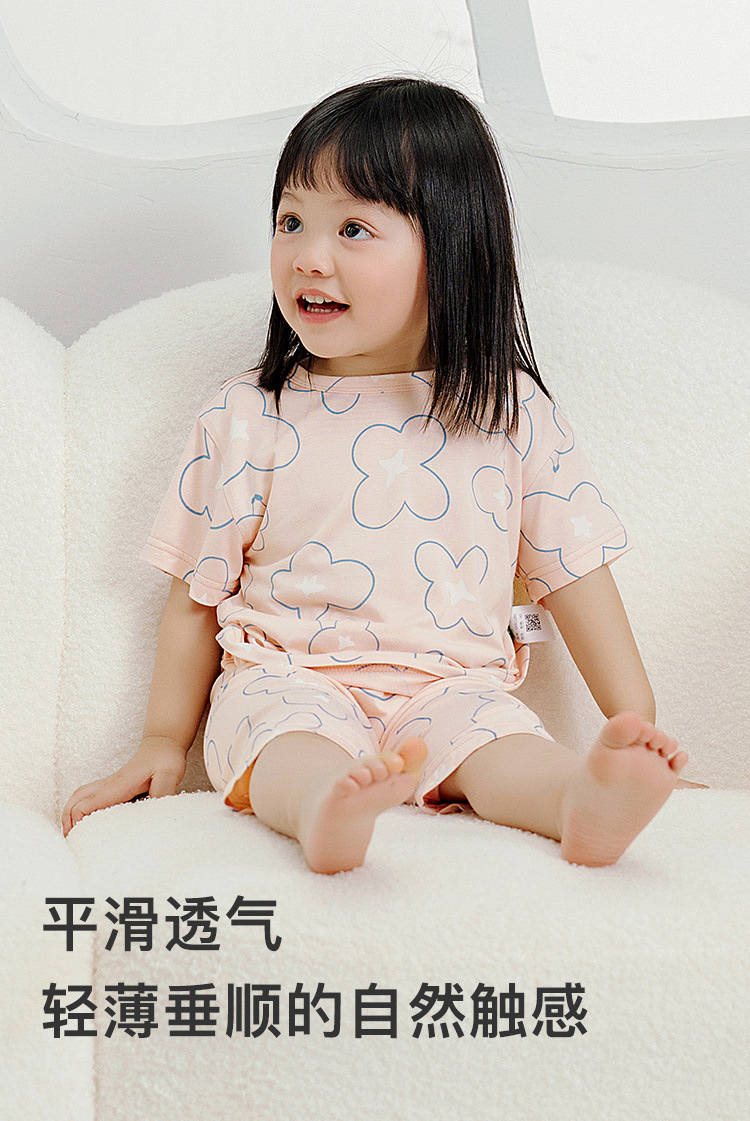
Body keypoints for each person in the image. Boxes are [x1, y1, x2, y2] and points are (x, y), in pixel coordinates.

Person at [62, 76, 692, 872]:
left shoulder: (507, 413)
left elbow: (576, 576)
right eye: (291, 221)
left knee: (501, 742)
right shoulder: (250, 415)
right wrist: (161, 739)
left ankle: (580, 800)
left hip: (451, 688)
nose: (308, 256)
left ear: (452, 249)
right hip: (288, 677)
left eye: (353, 228)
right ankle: (324, 804)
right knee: (286, 737)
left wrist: (634, 723)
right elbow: (196, 596)